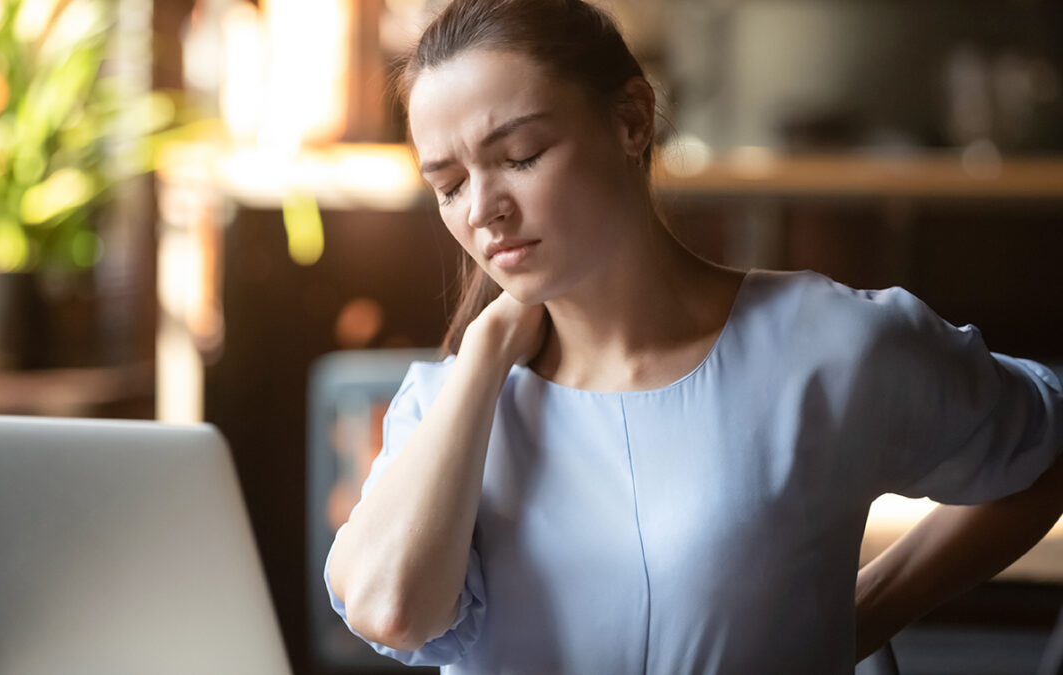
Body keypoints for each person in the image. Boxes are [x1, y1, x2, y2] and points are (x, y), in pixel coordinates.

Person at [324, 0, 1063, 672]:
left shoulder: (825, 344)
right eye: (449, 184)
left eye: (520, 156)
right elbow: (392, 610)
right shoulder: (445, 406)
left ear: (632, 121)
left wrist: (863, 616)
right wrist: (485, 353)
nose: (483, 210)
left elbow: (1047, 449)